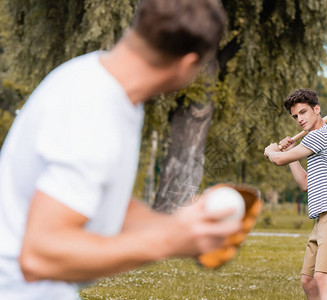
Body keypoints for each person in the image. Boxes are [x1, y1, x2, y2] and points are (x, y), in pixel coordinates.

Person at [0, 0, 241, 299]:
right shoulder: (92, 108)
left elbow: (101, 200)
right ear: (189, 63)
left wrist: (180, 226)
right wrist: (168, 241)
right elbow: (39, 257)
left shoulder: (104, 82)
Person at [264, 89, 327, 300]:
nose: (299, 119)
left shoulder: (321, 135)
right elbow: (305, 183)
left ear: (317, 109)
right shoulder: (314, 142)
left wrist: (273, 151)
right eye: (295, 116)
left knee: (322, 278)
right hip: (324, 216)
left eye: (303, 112)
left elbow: (278, 160)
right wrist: (292, 155)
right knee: (308, 280)